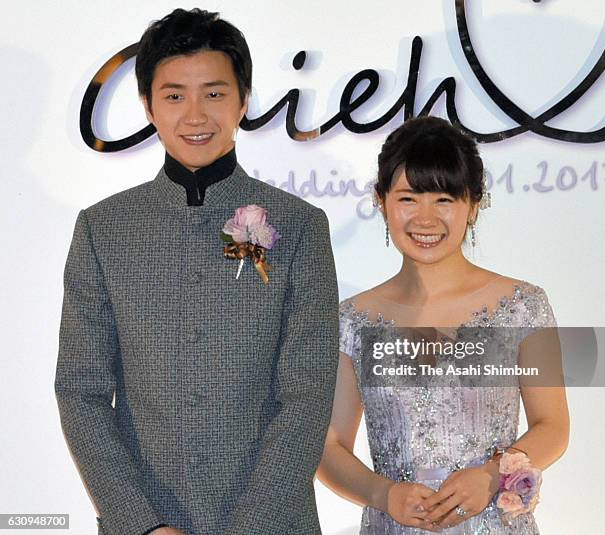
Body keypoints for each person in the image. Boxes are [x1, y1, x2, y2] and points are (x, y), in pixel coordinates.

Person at [55, 8, 338, 535]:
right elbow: (81, 390)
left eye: (213, 93)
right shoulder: (103, 228)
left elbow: (307, 392)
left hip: (273, 524)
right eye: (174, 96)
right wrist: (143, 524)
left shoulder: (300, 226)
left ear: (243, 99)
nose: (195, 116)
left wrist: (250, 526)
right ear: (148, 106)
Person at [316, 116, 569, 533]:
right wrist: (383, 494)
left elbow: (553, 426)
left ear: (473, 204)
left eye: (444, 200)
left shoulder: (523, 306)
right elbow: (329, 447)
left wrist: (491, 477)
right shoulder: (351, 320)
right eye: (409, 199)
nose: (426, 219)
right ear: (381, 202)